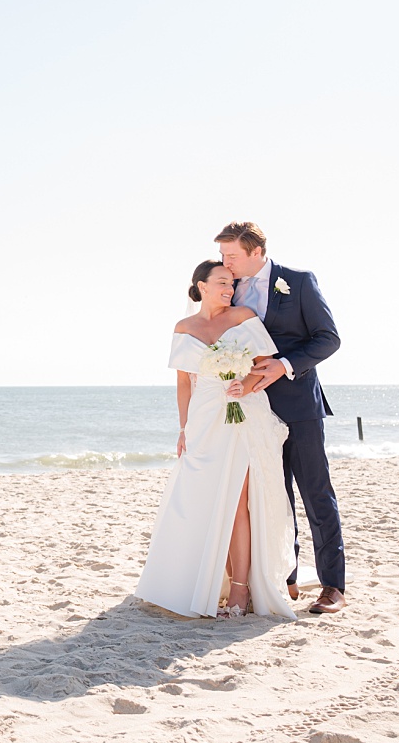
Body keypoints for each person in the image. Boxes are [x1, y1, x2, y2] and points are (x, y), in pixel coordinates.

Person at [133, 260, 297, 620]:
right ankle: (201, 582)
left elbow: (264, 364)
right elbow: (182, 383)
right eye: (221, 282)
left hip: (242, 414)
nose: (229, 288)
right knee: (203, 500)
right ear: (201, 285)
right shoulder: (183, 327)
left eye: (231, 283)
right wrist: (183, 428)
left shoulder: (243, 316)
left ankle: (240, 589)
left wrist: (246, 385)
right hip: (204, 420)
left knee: (238, 500)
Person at [215, 221, 347, 615]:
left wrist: (285, 364)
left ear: (256, 252)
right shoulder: (228, 288)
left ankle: (332, 588)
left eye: (232, 256)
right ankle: (284, 580)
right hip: (252, 412)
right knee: (273, 495)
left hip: (300, 407)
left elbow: (328, 338)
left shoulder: (299, 282)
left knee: (315, 493)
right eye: (223, 257)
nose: (226, 263)